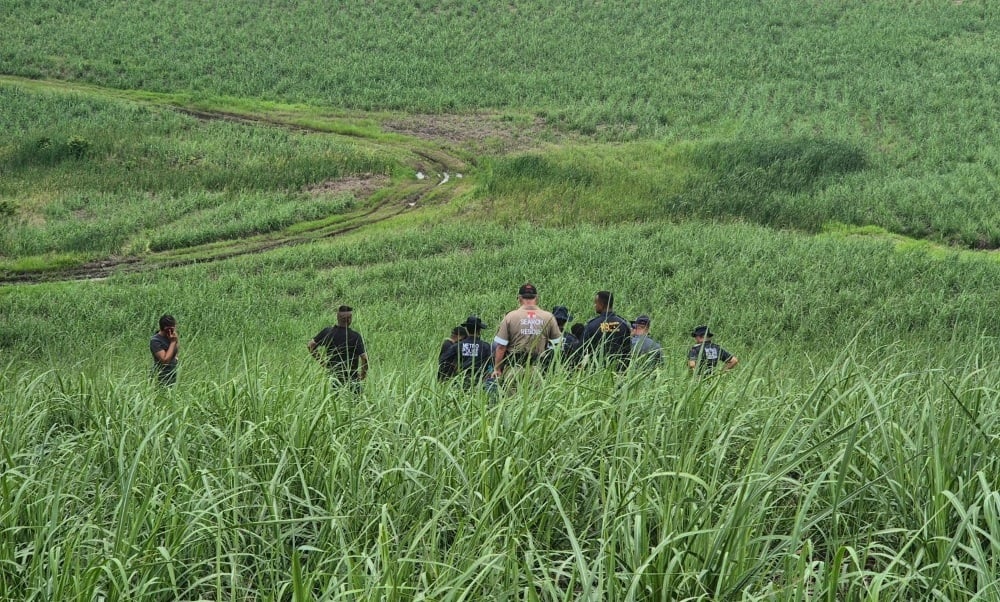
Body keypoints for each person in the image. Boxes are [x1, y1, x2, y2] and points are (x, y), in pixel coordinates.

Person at [491, 283, 562, 381]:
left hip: (514, 369)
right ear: (537, 298)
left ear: (519, 298)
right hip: (537, 370)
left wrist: (497, 369)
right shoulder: (548, 317)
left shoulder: (510, 317)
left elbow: (501, 347)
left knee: (512, 395)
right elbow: (557, 346)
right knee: (536, 396)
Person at [308, 305, 368, 392]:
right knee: (356, 403)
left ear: (337, 318)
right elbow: (365, 358)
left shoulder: (327, 332)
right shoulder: (355, 336)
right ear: (350, 319)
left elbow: (310, 345)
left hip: (332, 377)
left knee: (333, 401)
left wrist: (322, 363)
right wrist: (363, 374)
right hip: (351, 378)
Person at [580, 291, 632, 372]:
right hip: (617, 373)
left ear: (601, 304)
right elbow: (627, 352)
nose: (595, 305)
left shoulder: (592, 325)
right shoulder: (624, 325)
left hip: (595, 373)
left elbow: (581, 350)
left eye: (596, 303)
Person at [440, 316, 492, 388]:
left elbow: (443, 360)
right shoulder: (486, 346)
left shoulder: (458, 346)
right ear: (479, 330)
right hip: (479, 383)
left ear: (467, 329)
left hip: (460, 382)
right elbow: (491, 363)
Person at [150, 314, 179, 386]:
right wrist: (173, 342)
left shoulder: (171, 336)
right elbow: (165, 360)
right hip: (161, 376)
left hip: (172, 372)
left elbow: (175, 351)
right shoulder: (155, 341)